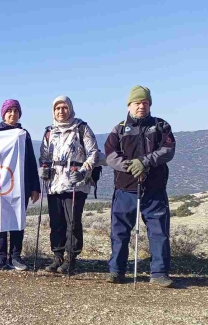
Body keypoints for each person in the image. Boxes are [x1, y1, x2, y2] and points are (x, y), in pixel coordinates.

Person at [104, 85, 177, 287]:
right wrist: (131, 167)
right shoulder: (119, 129)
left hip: (154, 190)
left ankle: (159, 273)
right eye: (137, 103)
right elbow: (110, 154)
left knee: (158, 232)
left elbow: (168, 150)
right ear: (129, 105)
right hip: (124, 189)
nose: (141, 106)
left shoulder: (161, 126)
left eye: (145, 103)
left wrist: (144, 162)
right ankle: (116, 271)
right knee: (119, 232)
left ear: (150, 104)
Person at [38, 96, 103, 275]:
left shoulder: (81, 128)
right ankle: (57, 256)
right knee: (56, 222)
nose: (61, 111)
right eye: (58, 108)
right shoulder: (49, 131)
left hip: (76, 184)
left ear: (70, 109)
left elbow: (94, 153)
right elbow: (44, 156)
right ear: (53, 111)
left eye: (64, 107)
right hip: (54, 184)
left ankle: (71, 258)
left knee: (72, 222)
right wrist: (43, 169)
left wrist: (83, 171)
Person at [0, 99, 41, 270]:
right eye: (9, 110)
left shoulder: (23, 134)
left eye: (16, 111)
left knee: (18, 220)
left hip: (21, 185)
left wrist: (35, 187)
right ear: (3, 113)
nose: (13, 114)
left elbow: (31, 161)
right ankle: (0, 257)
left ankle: (16, 257)